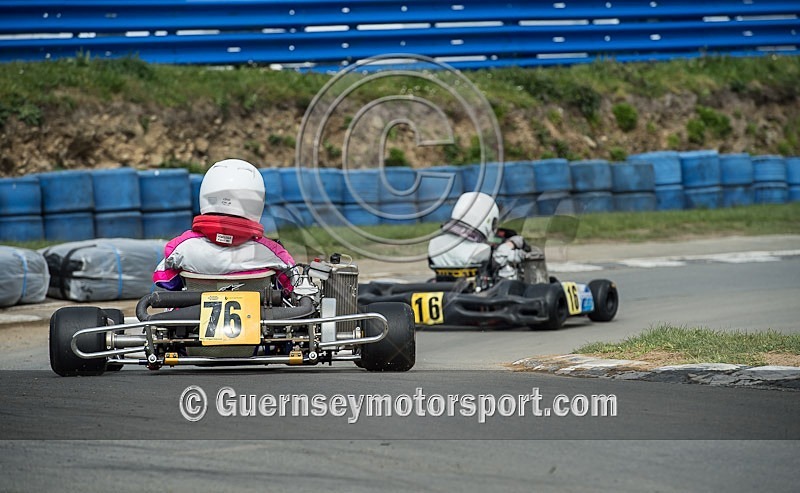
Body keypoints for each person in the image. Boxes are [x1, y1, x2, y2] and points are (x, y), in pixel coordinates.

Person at [152, 159, 295, 291]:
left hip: (194, 315)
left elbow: (164, 280)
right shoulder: (271, 252)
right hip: (257, 315)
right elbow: (293, 283)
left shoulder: (181, 247)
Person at [428, 191, 528, 281]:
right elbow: (498, 258)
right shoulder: (481, 250)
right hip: (479, 292)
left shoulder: (434, 244)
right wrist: (511, 244)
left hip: (445, 288)